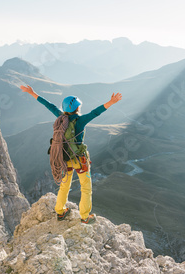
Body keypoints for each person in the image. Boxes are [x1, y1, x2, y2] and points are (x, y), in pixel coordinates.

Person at [20, 85, 122, 224]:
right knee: (85, 187)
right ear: (78, 108)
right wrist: (111, 102)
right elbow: (96, 112)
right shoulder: (81, 120)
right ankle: (85, 216)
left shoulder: (61, 118)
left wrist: (32, 92)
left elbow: (48, 105)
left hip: (64, 158)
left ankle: (60, 212)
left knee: (64, 185)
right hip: (79, 159)